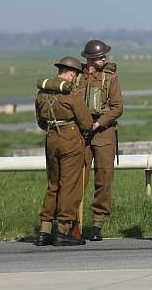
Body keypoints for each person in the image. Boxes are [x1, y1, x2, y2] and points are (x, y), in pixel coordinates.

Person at [34, 56, 93, 247]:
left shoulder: (43, 93)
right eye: (76, 74)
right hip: (70, 140)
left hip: (51, 138)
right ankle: (63, 230)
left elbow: (41, 122)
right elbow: (87, 123)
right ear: (73, 74)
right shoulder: (72, 94)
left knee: (53, 184)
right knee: (70, 185)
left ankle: (44, 230)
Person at [76, 39, 123, 241]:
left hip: (103, 134)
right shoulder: (77, 77)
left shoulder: (111, 78)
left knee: (104, 180)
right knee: (77, 180)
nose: (104, 58)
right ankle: (71, 223)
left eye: (105, 55)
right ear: (89, 58)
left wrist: (99, 123)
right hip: (81, 136)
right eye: (100, 56)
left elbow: (117, 107)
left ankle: (97, 224)